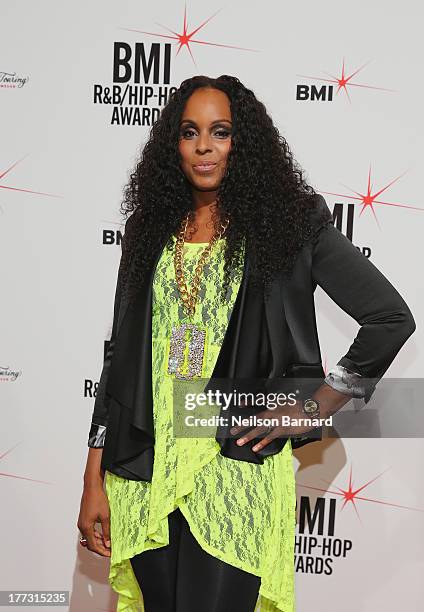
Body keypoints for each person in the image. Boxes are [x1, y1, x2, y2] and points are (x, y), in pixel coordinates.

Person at [77, 75, 415, 612]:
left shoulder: (287, 224)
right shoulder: (147, 228)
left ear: (244, 142)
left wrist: (314, 406)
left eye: (221, 131)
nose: (204, 146)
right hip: (145, 466)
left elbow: (390, 318)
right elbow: (119, 357)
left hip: (232, 465)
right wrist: (94, 476)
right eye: (190, 132)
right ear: (175, 144)